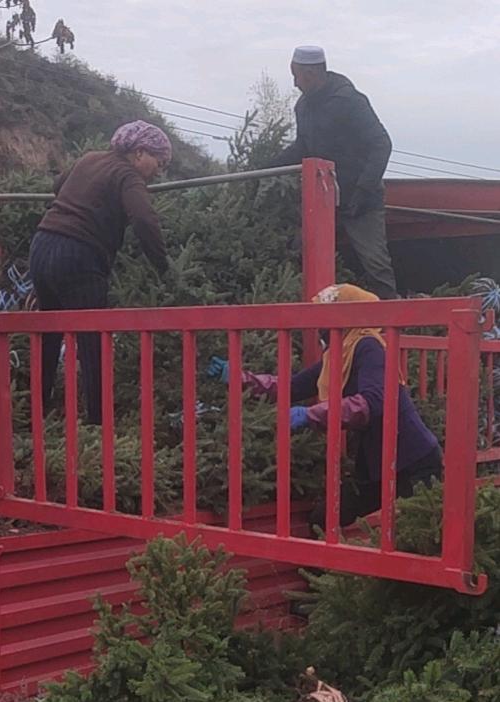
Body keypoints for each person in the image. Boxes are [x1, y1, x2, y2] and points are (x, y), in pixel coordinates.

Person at [208, 284, 441, 529]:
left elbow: (373, 402)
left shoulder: (368, 347)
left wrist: (311, 415)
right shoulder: (339, 355)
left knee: (416, 534)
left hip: (413, 462)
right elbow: (293, 387)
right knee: (325, 518)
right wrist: (237, 376)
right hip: (376, 464)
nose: (321, 327)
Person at [29, 120, 171, 423]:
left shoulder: (91, 158)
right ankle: (98, 424)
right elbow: (145, 220)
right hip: (79, 256)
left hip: (42, 246)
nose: (159, 171)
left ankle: (35, 415)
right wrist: (164, 268)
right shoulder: (127, 174)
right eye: (159, 162)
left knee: (49, 334)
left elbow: (58, 186)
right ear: (140, 153)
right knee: (93, 341)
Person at [271, 46, 398, 300]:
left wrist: (363, 190)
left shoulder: (350, 101)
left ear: (311, 73)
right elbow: (303, 148)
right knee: (303, 254)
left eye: (297, 76)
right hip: (322, 200)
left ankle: (389, 322)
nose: (295, 84)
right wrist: (268, 165)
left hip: (360, 202)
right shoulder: (303, 108)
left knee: (375, 264)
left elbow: (381, 143)